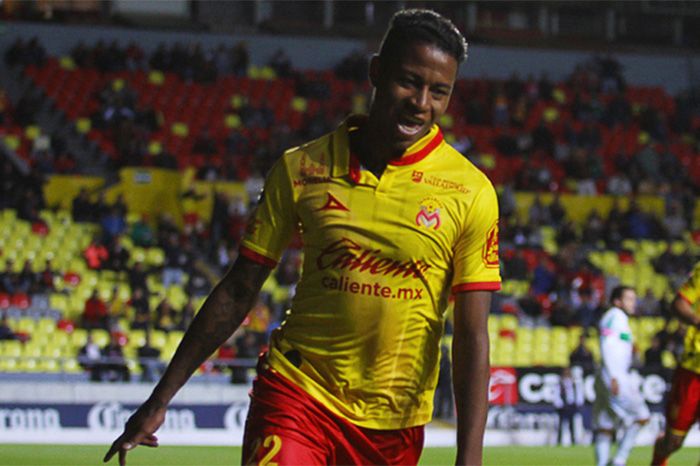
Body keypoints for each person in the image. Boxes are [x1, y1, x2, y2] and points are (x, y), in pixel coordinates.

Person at [105, 10, 500, 466]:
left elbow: (472, 335)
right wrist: (159, 400)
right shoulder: (301, 168)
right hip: (297, 396)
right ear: (376, 71)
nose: (421, 102)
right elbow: (239, 288)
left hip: (392, 426)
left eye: (439, 91)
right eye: (409, 82)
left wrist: (470, 458)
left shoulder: (470, 191)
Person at [593, 286, 650, 466]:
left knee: (606, 426)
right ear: (617, 301)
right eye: (629, 299)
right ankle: (620, 459)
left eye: (634, 299)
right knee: (642, 416)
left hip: (608, 375)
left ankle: (603, 463)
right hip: (615, 377)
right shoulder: (614, 317)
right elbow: (607, 344)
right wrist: (613, 376)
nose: (633, 303)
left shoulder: (617, 318)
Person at [651, 261, 700, 466]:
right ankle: (658, 459)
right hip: (693, 370)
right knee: (673, 442)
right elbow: (678, 304)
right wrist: (698, 322)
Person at [554, 366, 583, 446]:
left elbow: (578, 394)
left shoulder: (574, 383)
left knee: (572, 424)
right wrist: (559, 404)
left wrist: (577, 403)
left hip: (571, 405)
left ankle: (573, 440)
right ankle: (559, 441)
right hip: (563, 406)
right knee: (561, 424)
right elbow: (556, 394)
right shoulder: (560, 383)